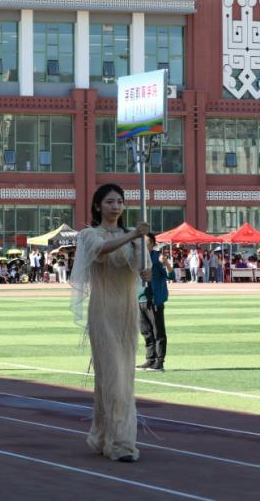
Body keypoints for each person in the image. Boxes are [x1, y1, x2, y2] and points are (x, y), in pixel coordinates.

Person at [70, 183, 151, 463]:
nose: (116, 207)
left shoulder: (136, 239)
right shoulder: (89, 235)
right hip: (103, 312)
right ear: (97, 206)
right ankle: (120, 444)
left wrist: (146, 265)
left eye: (119, 202)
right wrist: (134, 235)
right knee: (112, 376)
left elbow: (143, 269)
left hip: (126, 314)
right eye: (109, 202)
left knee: (123, 377)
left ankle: (106, 436)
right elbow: (102, 250)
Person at [137, 234, 175, 372]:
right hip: (139, 299)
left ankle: (159, 362)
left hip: (154, 300)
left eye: (146, 242)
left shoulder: (157, 257)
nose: (143, 245)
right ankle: (150, 359)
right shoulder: (137, 258)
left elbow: (171, 276)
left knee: (158, 331)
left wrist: (166, 263)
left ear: (153, 244)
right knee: (146, 331)